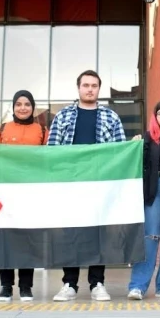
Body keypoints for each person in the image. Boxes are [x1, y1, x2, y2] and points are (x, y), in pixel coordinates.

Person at [47, 69, 126, 302]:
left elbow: (119, 153)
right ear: (78, 88)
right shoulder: (63, 116)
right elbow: (53, 151)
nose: (90, 89)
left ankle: (97, 283)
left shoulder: (111, 117)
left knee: (97, 234)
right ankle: (69, 284)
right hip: (71, 185)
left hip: (99, 186)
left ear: (98, 89)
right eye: (86, 85)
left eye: (94, 85)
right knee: (70, 234)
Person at [0, 90, 49, 302]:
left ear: (33, 107)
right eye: (18, 104)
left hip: (31, 194)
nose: (22, 108)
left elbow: (49, 160)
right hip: (6, 192)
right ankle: (6, 285)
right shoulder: (2, 129)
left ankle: (26, 286)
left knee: (28, 239)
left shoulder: (42, 130)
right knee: (5, 238)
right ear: (13, 107)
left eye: (27, 104)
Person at [127, 100, 160, 300]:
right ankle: (137, 286)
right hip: (154, 188)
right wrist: (134, 146)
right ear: (155, 117)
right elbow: (137, 163)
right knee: (150, 237)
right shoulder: (148, 138)